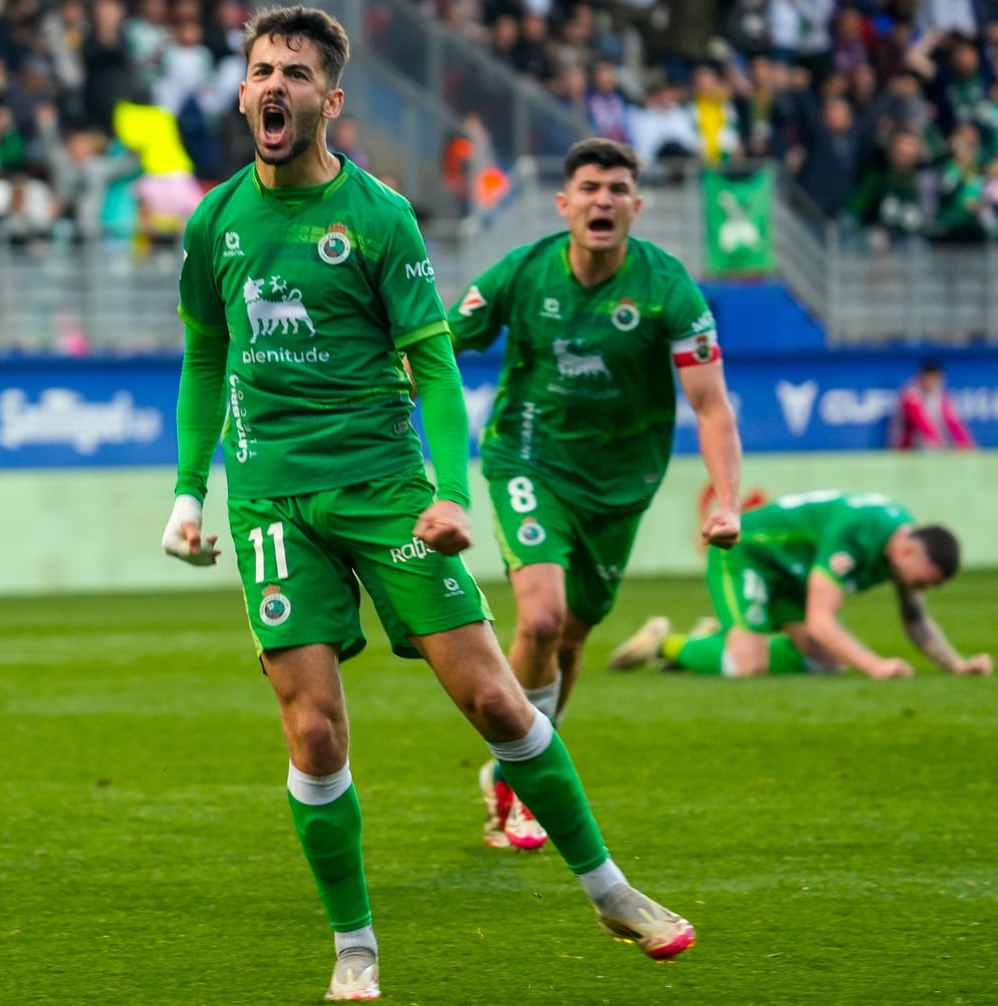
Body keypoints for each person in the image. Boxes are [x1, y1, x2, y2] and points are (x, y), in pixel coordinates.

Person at [162, 7, 695, 1000]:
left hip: (385, 489)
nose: (273, 86)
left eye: (295, 73)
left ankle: (610, 888)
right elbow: (204, 354)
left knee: (493, 696)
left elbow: (434, 365)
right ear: (241, 93)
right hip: (272, 499)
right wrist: (189, 488)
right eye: (260, 70)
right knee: (313, 732)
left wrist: (449, 493)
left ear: (329, 99)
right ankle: (353, 946)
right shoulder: (213, 221)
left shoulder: (378, 217)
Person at [448, 136, 742, 853]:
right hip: (527, 459)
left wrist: (727, 499)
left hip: (620, 486)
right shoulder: (523, 271)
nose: (602, 200)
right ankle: (522, 781)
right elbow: (438, 342)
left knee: (574, 635)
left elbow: (711, 407)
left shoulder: (667, 288)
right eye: (589, 188)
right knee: (542, 618)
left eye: (616, 189)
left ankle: (512, 768)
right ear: (565, 203)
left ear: (636, 207)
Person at [609, 490, 992, 679]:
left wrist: (957, 665)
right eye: (925, 581)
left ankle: (720, 640)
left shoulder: (899, 544)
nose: (922, 589)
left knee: (826, 663)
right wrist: (876, 666)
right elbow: (822, 619)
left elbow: (915, 620)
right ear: (909, 550)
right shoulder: (860, 532)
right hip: (747, 552)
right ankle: (670, 644)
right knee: (748, 664)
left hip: (793, 575)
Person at [890, 359, 976, 450]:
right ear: (921, 377)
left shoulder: (942, 395)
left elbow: (953, 422)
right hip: (906, 448)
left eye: (935, 379)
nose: (931, 382)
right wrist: (938, 443)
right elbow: (920, 422)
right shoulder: (910, 394)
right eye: (928, 378)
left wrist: (965, 444)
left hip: (931, 447)